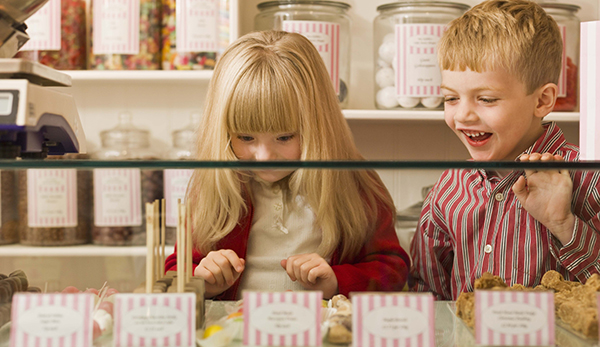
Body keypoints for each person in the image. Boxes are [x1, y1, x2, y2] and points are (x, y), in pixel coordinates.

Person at [165, 30, 409, 299]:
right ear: (222, 131)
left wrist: (336, 282)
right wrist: (202, 280)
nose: (264, 155)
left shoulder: (353, 181)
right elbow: (176, 269)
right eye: (246, 137)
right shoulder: (215, 183)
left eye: (284, 137)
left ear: (319, 125)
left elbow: (392, 269)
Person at [410, 0, 600, 300]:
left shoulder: (590, 178)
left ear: (542, 101)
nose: (462, 116)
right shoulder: (449, 187)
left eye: (486, 99)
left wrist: (563, 224)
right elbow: (427, 292)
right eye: (450, 99)